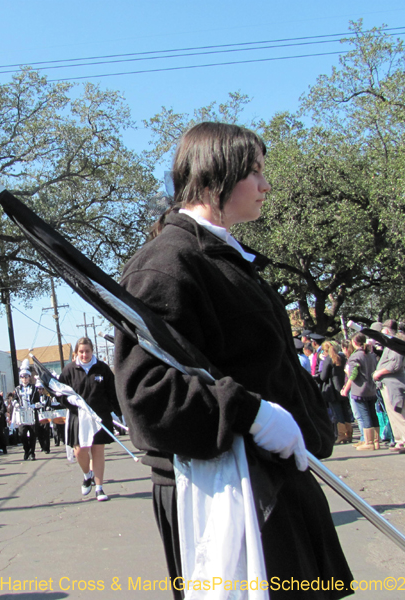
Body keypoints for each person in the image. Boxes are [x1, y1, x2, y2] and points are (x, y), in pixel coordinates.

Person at [115, 122, 352, 598]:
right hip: (226, 491)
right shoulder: (167, 263)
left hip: (276, 477)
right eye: (256, 173)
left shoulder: (228, 258)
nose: (266, 186)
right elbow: (146, 397)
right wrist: (250, 413)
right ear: (214, 175)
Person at [59, 337, 120, 502]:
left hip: (99, 416)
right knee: (80, 451)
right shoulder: (69, 370)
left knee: (98, 451)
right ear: (76, 352)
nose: (84, 355)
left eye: (87, 351)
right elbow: (59, 392)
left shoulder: (102, 368)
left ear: (92, 351)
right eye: (81, 351)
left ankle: (99, 488)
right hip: (78, 417)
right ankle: (87, 475)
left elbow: (112, 392)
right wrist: (69, 403)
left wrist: (118, 412)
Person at [373, 320, 405, 454]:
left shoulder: (395, 343)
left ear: (386, 330)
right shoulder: (389, 344)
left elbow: (395, 365)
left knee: (401, 413)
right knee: (392, 414)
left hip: (395, 384)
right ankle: (400, 440)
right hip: (387, 384)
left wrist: (379, 372)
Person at [341, 333, 380, 451]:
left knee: (365, 415)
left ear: (354, 342)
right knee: (373, 414)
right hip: (372, 388)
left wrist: (345, 389)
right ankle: (376, 441)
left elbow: (353, 375)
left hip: (360, 390)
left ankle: (369, 442)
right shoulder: (371, 355)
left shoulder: (355, 356)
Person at [317, 341, 353, 444]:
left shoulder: (329, 359)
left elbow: (323, 376)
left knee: (337, 413)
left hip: (332, 389)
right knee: (345, 411)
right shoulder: (343, 357)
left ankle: (341, 435)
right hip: (343, 387)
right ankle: (349, 434)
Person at [13, 369, 41, 460]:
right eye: (22, 377)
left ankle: (32, 452)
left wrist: (34, 405)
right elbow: (14, 399)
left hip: (31, 413)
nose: (24, 379)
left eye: (26, 377)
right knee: (22, 433)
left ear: (29, 377)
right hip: (22, 414)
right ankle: (26, 450)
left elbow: (38, 401)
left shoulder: (34, 388)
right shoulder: (17, 389)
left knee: (33, 434)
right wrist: (16, 404)